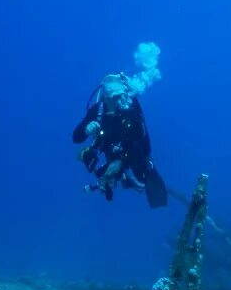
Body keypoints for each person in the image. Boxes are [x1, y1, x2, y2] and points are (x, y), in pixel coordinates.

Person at [72, 72, 168, 207]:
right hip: (111, 151)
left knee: (144, 175)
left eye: (121, 95)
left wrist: (122, 162)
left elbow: (145, 146)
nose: (120, 100)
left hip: (134, 151)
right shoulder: (97, 111)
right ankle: (119, 178)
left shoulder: (132, 108)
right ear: (105, 98)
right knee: (95, 164)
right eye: (114, 97)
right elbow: (76, 138)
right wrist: (86, 129)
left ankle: (140, 184)